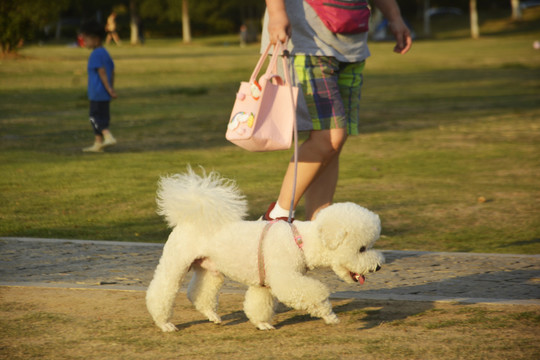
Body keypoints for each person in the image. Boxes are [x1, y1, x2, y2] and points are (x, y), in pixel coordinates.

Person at [261, 0, 412, 221]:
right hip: (308, 41)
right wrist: (276, 12)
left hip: (352, 45)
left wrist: (395, 16)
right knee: (329, 138)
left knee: (333, 146)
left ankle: (318, 228)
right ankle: (277, 216)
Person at [80, 20, 118, 153]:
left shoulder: (95, 54)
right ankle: (98, 143)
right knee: (103, 117)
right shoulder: (105, 53)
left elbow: (102, 72)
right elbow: (111, 72)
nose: (84, 43)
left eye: (86, 40)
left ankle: (108, 136)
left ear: (96, 39)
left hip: (97, 93)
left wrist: (108, 88)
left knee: (94, 117)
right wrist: (111, 89)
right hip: (105, 95)